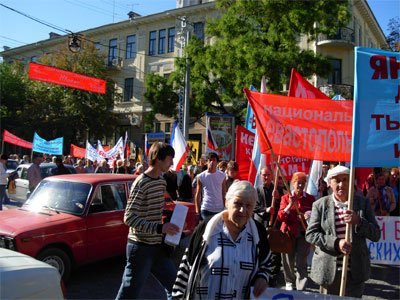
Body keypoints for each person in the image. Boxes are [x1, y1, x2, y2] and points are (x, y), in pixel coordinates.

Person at [172, 180, 272, 299]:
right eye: (238, 203)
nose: (242, 210)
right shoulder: (207, 229)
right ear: (226, 202)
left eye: (248, 205)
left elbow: (266, 263)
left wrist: (263, 276)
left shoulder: (258, 232)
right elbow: (186, 267)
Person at [116, 142, 180, 299]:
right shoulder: (141, 182)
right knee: (129, 294)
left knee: (177, 288)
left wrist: (174, 222)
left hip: (157, 246)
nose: (172, 162)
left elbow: (155, 210)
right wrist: (160, 228)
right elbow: (129, 217)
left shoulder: (161, 181)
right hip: (140, 248)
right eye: (170, 159)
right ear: (158, 159)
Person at [305, 165, 380, 298]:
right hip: (328, 272)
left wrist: (359, 221)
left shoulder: (362, 203)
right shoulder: (320, 205)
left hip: (356, 272)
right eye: (337, 180)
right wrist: (336, 243)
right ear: (329, 183)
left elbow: (376, 234)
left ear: (351, 182)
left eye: (345, 180)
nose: (341, 184)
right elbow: (311, 235)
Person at [277, 172, 315, 291]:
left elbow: (314, 217)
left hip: (303, 233)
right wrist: (289, 205)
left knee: (301, 260)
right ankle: (289, 281)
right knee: (288, 258)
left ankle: (301, 285)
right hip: (288, 233)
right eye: (298, 183)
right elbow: (281, 217)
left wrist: (305, 217)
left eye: (303, 183)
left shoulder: (310, 199)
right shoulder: (285, 198)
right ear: (293, 183)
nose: (300, 186)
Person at [254, 166, 283, 287]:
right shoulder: (257, 190)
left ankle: (274, 276)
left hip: (275, 224)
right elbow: (255, 208)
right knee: (261, 248)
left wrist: (278, 198)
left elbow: (283, 205)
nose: (266, 177)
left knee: (275, 250)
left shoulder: (278, 189)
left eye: (268, 175)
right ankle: (260, 273)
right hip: (261, 223)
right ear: (260, 176)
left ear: (272, 176)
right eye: (263, 175)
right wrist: (266, 210)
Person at [195, 152, 227, 220]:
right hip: (206, 209)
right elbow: (198, 195)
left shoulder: (222, 176)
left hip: (219, 209)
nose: (212, 162)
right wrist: (197, 211)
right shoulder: (200, 176)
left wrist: (225, 208)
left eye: (214, 160)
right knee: (207, 229)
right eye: (210, 160)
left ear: (217, 163)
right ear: (207, 162)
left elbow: (224, 193)